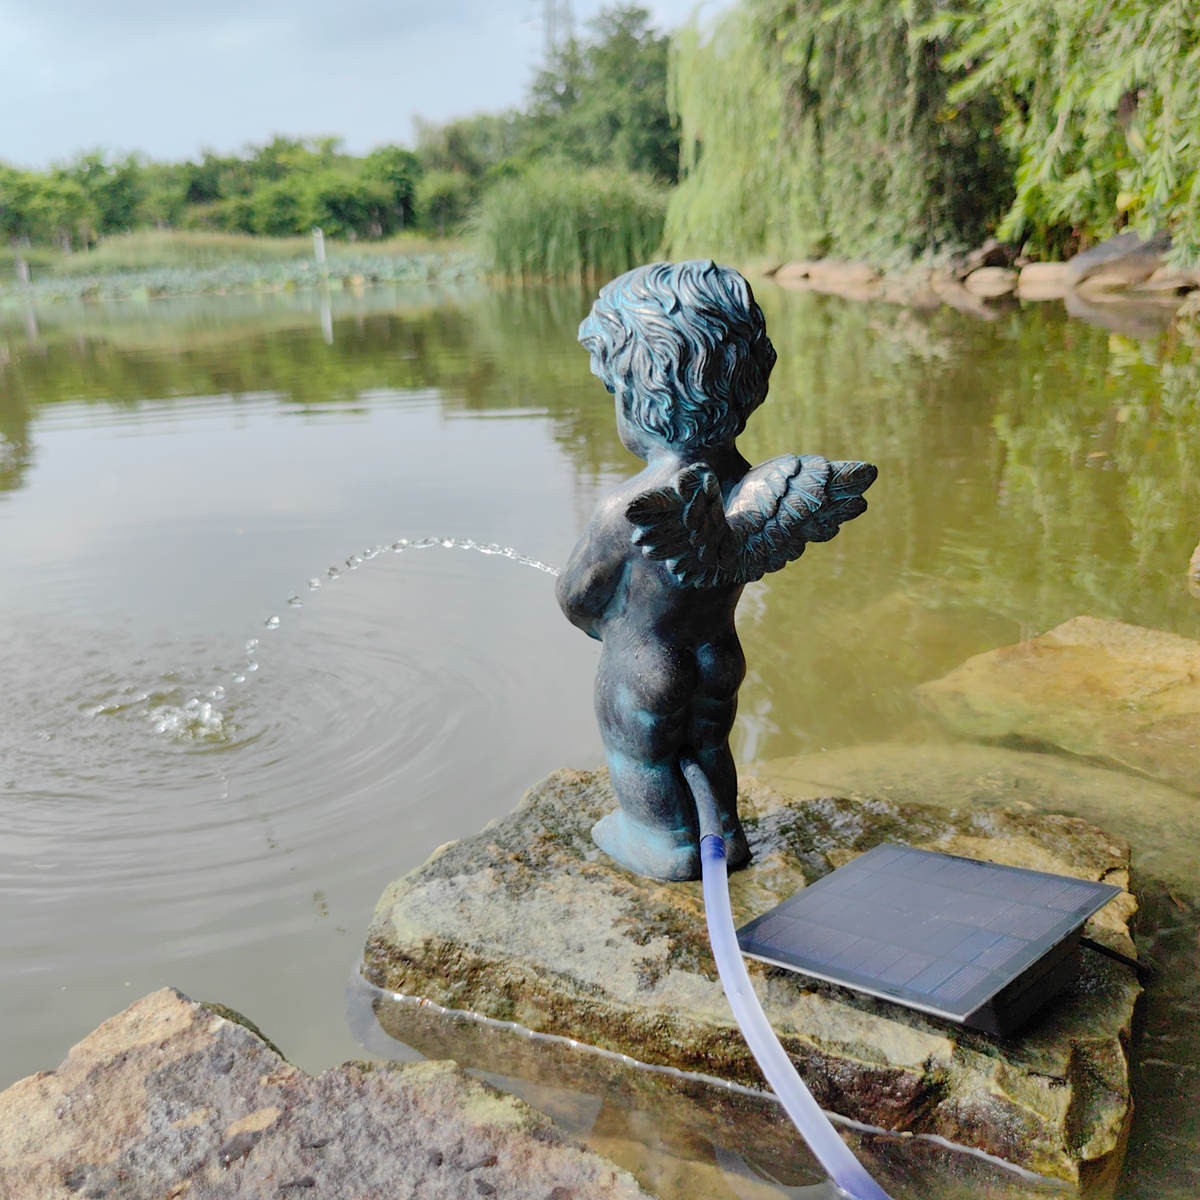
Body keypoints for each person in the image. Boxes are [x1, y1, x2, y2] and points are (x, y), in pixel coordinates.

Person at [557, 260, 875, 880]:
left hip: (645, 665)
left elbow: (577, 598)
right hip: (719, 656)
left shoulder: (628, 509)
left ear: (639, 392)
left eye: (614, 391)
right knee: (707, 743)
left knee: (641, 756)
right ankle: (724, 832)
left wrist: (602, 622)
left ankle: (663, 841)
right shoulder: (754, 489)